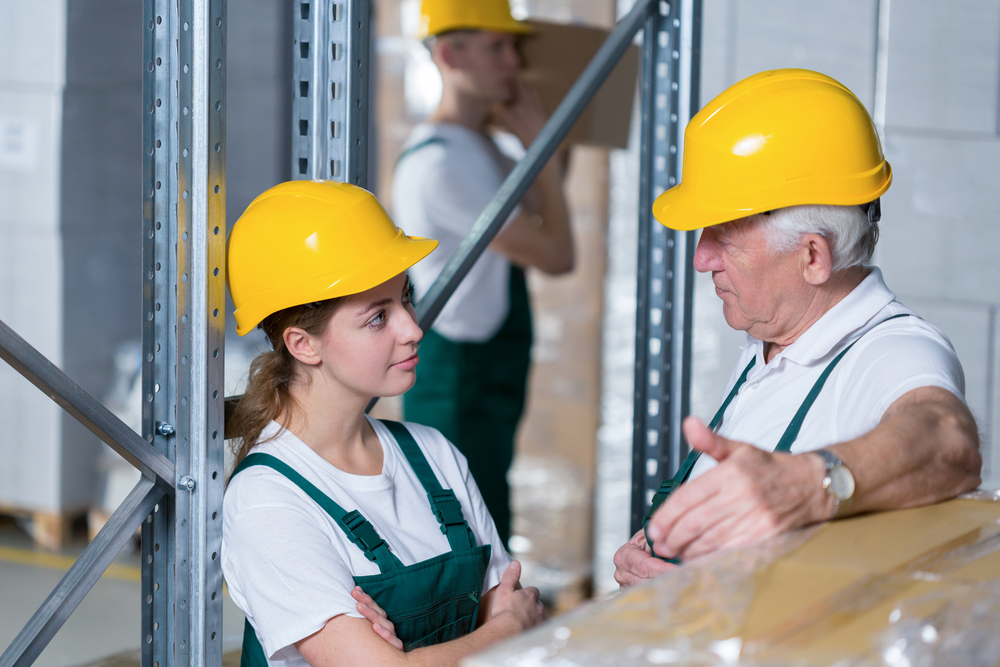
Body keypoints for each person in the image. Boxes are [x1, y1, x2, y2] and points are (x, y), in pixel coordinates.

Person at [614, 69, 982, 587]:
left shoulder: (894, 351)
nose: (701, 259)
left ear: (812, 256)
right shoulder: (769, 340)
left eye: (725, 236)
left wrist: (809, 484)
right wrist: (659, 555)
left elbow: (948, 441)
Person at [222, 180, 544, 666]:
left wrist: (443, 647)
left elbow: (512, 624)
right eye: (377, 317)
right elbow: (508, 624)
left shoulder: (434, 456)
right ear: (302, 344)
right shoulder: (269, 499)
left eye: (406, 298)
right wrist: (503, 627)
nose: (413, 329)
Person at [391, 0, 574, 546]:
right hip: (457, 374)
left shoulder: (479, 148)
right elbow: (557, 253)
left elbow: (544, 213)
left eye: (513, 46)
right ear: (450, 53)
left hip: (486, 360)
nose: (514, 61)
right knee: (462, 532)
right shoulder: (442, 165)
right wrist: (546, 144)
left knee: (487, 517)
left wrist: (539, 147)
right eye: (498, 46)